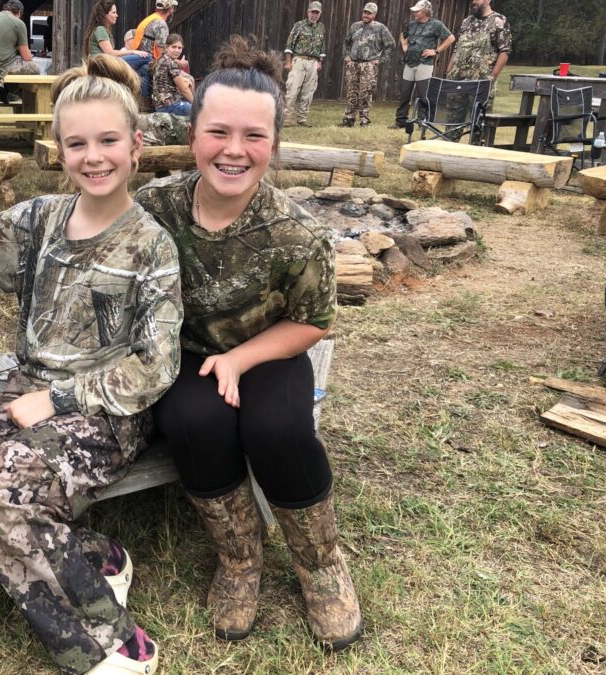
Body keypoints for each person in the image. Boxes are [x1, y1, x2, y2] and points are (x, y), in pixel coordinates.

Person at [0, 55, 183, 675]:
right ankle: (96, 556)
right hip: (24, 395)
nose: (94, 157)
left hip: (107, 413)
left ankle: (107, 644)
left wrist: (58, 401)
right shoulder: (39, 221)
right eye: (77, 144)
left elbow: (156, 364)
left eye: (108, 141)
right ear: (58, 152)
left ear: (136, 146)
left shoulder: (151, 245)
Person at [135, 35, 363, 651]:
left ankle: (321, 565)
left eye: (254, 136)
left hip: (269, 349)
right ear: (192, 136)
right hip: (184, 353)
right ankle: (240, 560)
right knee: (194, 422)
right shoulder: (152, 208)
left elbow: (313, 322)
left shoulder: (298, 232)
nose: (234, 150)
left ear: (274, 145)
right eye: (218, 132)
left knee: (277, 428)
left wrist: (238, 358)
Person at [392, 0, 454, 129]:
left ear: (425, 11)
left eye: (417, 11)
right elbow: (403, 35)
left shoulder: (436, 25)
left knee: (423, 95)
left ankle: (423, 122)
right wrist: (404, 46)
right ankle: (400, 121)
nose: (414, 13)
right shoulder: (412, 24)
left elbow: (450, 38)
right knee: (404, 94)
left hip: (424, 64)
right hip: (409, 63)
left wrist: (436, 51)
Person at [446, 0, 512, 111]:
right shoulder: (467, 21)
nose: (473, 2)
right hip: (457, 80)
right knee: (453, 117)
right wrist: (449, 70)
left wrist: (492, 77)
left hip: (481, 82)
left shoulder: (499, 20)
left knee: (478, 117)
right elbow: (458, 47)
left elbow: (505, 51)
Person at [340, 2, 396, 127]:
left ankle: (364, 120)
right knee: (351, 92)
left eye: (369, 13)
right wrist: (346, 56)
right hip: (353, 64)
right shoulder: (355, 26)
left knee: (365, 93)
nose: (366, 15)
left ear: (374, 15)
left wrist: (380, 59)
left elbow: (391, 45)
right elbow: (346, 42)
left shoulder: (380, 28)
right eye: (365, 12)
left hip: (369, 66)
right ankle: (349, 119)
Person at [0, 0, 41, 103]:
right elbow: (26, 57)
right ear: (19, 12)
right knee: (35, 68)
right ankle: (17, 96)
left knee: (13, 62)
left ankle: (4, 91)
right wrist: (30, 54)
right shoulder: (19, 23)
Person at [82, 0, 151, 85]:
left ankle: (140, 93)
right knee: (148, 57)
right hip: (103, 66)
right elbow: (110, 53)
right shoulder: (100, 29)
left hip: (106, 63)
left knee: (144, 69)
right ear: (104, 14)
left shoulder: (103, 30)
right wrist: (133, 51)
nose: (116, 15)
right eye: (113, 12)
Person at [283, 1, 327, 127]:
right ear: (308, 12)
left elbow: (322, 47)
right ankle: (286, 118)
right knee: (292, 89)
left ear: (320, 14)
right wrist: (288, 62)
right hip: (299, 60)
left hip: (313, 62)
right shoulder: (299, 25)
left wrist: (320, 62)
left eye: (317, 13)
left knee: (308, 92)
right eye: (313, 12)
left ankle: (302, 119)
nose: (314, 15)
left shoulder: (321, 27)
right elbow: (289, 45)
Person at [131, 0, 181, 97]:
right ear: (170, 9)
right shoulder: (161, 24)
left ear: (157, 7)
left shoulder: (149, 19)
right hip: (150, 63)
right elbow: (161, 54)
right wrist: (178, 63)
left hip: (140, 59)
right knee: (184, 78)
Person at [152, 34, 194, 115]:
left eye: (179, 48)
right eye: (173, 47)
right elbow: (184, 89)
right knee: (200, 111)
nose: (177, 50)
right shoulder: (170, 63)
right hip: (170, 106)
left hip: (161, 105)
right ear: (166, 47)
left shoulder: (162, 59)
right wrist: (196, 104)